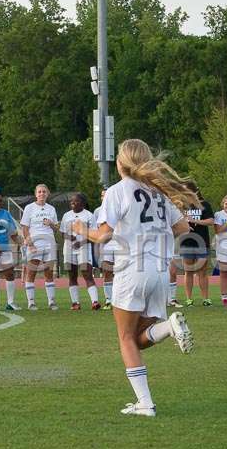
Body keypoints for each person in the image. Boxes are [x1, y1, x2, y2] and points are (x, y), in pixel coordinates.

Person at [73, 138, 195, 417]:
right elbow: (183, 226)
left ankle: (145, 403)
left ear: (122, 162)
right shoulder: (159, 192)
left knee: (126, 338)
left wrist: (82, 229)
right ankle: (169, 328)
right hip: (160, 272)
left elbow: (103, 234)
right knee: (139, 338)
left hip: (132, 270)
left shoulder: (118, 191)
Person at [19, 183, 59, 311]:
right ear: (36, 194)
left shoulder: (51, 209)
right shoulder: (29, 208)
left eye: (44, 191)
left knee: (49, 273)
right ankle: (31, 302)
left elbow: (56, 228)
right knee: (31, 272)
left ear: (47, 194)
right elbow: (25, 228)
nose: (42, 194)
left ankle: (51, 302)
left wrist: (51, 223)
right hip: (35, 244)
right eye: (39, 192)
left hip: (49, 243)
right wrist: (30, 243)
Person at [59, 192, 100, 311]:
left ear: (82, 203)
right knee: (72, 275)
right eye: (71, 201)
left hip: (84, 247)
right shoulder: (66, 215)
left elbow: (94, 235)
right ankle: (75, 303)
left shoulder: (89, 215)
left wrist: (80, 242)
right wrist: (69, 237)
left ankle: (95, 302)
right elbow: (62, 232)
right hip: (68, 248)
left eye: (76, 201)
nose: (72, 202)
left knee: (87, 274)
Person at [179, 181, 214, 306]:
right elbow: (176, 221)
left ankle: (205, 298)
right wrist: (185, 224)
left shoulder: (204, 204)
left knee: (202, 271)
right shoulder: (181, 205)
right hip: (187, 241)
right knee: (188, 271)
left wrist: (195, 221)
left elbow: (211, 221)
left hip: (202, 241)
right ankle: (189, 299)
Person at [91, 188, 115, 309]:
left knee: (122, 272)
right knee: (107, 271)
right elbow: (97, 230)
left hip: (121, 244)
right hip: (106, 245)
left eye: (106, 195)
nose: (104, 197)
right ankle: (108, 300)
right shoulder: (97, 211)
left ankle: (119, 299)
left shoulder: (118, 207)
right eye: (102, 195)